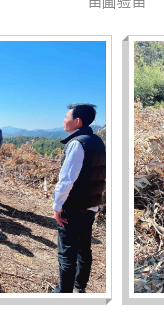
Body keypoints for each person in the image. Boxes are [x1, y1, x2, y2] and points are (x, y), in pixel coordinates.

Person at [53, 103, 107, 294]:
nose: (63, 119)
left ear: (77, 121)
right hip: (90, 206)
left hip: (73, 207)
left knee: (67, 253)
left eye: (66, 116)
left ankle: (64, 293)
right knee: (84, 249)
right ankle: (79, 286)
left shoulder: (77, 144)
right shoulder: (98, 142)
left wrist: (57, 205)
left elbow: (67, 179)